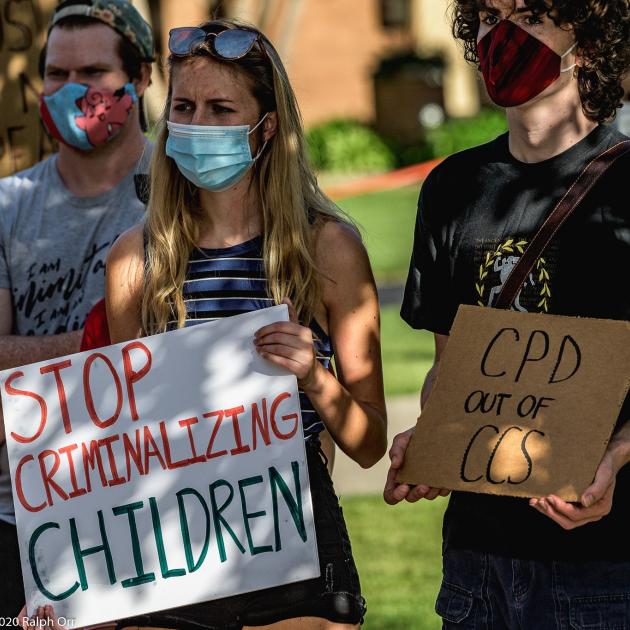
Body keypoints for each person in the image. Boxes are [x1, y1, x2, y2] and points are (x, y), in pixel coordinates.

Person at [105, 18, 386, 630]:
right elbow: (117, 443)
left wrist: (316, 378)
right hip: (167, 539)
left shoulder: (329, 250)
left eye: (220, 107)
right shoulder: (135, 260)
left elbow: (369, 444)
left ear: (268, 126)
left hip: (295, 536)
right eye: (183, 106)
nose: (196, 124)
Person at [384, 0, 630, 627]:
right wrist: (434, 442)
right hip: (477, 563)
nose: (502, 37)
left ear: (591, 44)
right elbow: (449, 371)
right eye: (489, 19)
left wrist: (618, 456)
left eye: (527, 18)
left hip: (605, 564)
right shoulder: (452, 188)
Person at [0, 0, 153, 615]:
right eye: (56, 74)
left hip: (149, 506)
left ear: (140, 78)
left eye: (91, 73)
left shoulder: (184, 201)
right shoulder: (9, 205)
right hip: (18, 517)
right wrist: (101, 344)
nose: (70, 91)